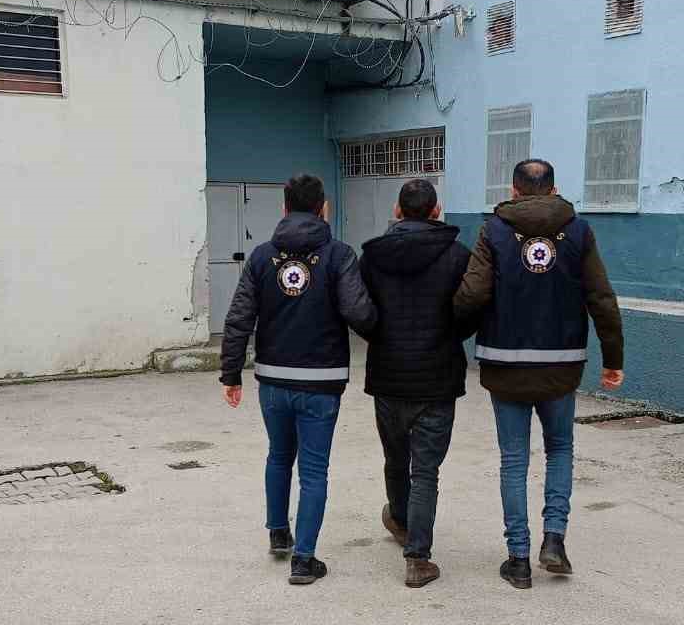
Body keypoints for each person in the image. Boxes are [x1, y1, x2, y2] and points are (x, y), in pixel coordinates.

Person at [453, 158, 624, 589]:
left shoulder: (493, 230)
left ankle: (518, 560)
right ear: (553, 190)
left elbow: (473, 293)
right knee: (559, 449)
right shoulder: (579, 231)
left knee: (514, 460)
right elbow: (601, 297)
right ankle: (554, 540)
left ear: (513, 191)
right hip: (561, 365)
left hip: (505, 363)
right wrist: (613, 358)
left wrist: (449, 334)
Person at [220, 174, 376, 586]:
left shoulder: (260, 256)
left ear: (284, 208)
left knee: (278, 455)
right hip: (322, 381)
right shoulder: (339, 255)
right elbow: (359, 313)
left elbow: (239, 317)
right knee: (314, 470)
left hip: (272, 379)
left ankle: (278, 532)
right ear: (324, 208)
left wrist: (231, 373)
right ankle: (304, 560)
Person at [360, 177, 471, 589]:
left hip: (388, 375)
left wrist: (379, 336)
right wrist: (450, 336)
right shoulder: (458, 255)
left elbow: (359, 308)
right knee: (425, 471)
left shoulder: (372, 256)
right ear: (436, 210)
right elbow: (472, 305)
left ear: (398, 210)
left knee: (395, 458)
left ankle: (401, 520)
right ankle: (418, 558)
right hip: (438, 377)